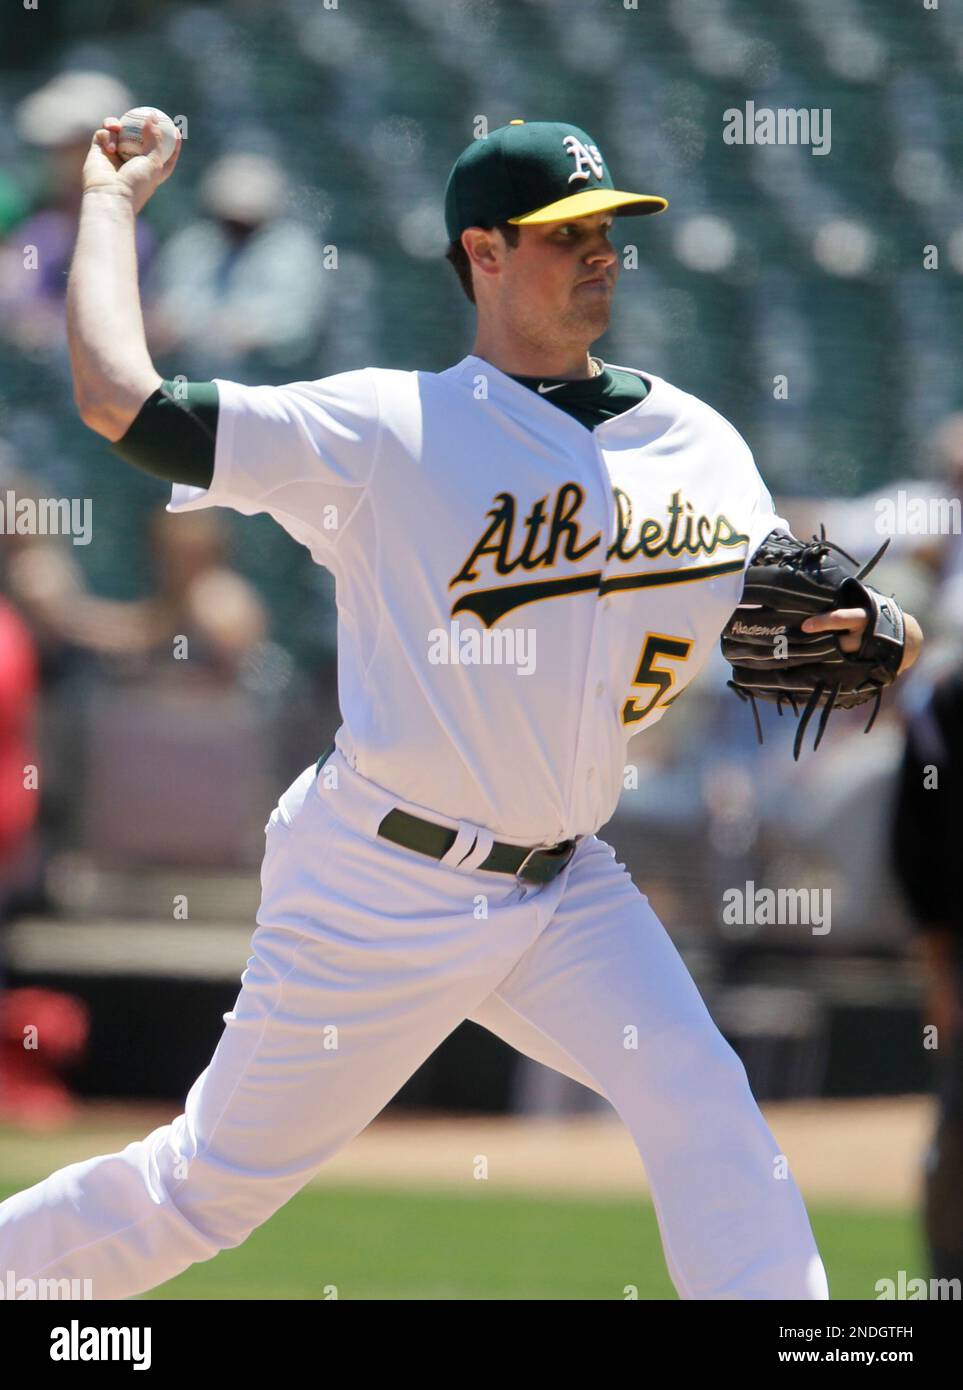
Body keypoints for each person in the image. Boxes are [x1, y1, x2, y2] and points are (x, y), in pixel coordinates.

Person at [0, 115, 923, 1300]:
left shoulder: (696, 442)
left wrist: (874, 634)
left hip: (563, 882)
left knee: (703, 1096)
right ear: (481, 253)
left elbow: (778, 621)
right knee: (201, 1194)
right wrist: (113, 208)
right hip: (381, 880)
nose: (599, 251)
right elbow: (118, 399)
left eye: (607, 230)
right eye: (562, 234)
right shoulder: (388, 429)